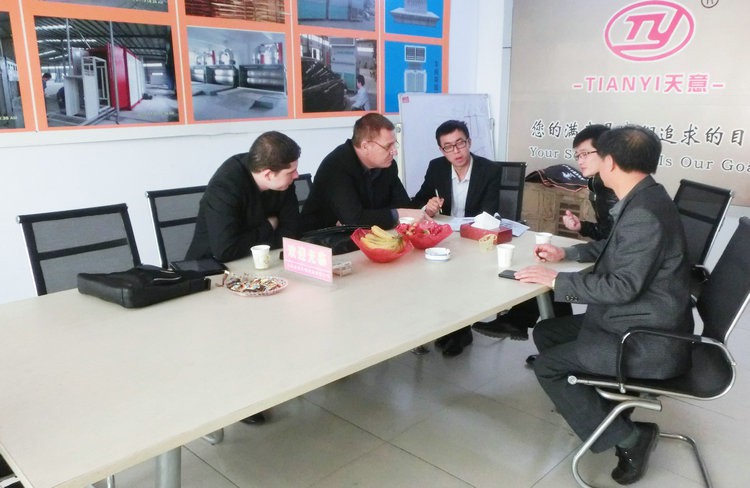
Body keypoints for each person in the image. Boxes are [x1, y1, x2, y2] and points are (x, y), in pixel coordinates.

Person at [515, 125, 693, 485]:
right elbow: (613, 248)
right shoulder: (647, 196)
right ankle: (600, 413)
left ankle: (630, 438)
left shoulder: (643, 213)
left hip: (646, 337)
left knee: (548, 367)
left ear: (610, 161)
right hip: (638, 318)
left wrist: (556, 281)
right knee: (548, 332)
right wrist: (565, 253)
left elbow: (622, 286)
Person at [473, 124, 616, 346]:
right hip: (608, 264)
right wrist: (583, 227)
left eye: (585, 154)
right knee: (548, 270)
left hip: (615, 285)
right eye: (577, 155)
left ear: (608, 155)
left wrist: (570, 253)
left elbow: (615, 245)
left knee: (551, 275)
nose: (580, 161)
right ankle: (541, 334)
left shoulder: (616, 192)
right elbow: (610, 234)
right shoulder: (598, 184)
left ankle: (524, 325)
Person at [411, 119, 501, 357]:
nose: (456, 151)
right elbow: (417, 201)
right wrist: (428, 208)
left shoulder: (490, 170)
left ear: (469, 142)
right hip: (445, 239)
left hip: (474, 238)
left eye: (460, 143)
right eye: (448, 147)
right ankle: (445, 326)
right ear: (442, 150)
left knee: (461, 274)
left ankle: (460, 331)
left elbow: (489, 213)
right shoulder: (436, 167)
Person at [187, 131, 301, 263]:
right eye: (291, 172)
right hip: (211, 267)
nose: (296, 175)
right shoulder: (225, 187)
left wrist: (249, 242)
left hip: (265, 261)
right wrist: (269, 227)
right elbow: (226, 251)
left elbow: (291, 233)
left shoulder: (282, 182)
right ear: (268, 175)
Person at [300, 113, 425, 231]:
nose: (394, 151)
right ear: (365, 146)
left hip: (372, 234)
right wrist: (397, 214)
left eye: (394, 144)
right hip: (323, 238)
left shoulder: (387, 165)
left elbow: (404, 205)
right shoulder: (336, 166)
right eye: (388, 146)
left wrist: (394, 213)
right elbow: (355, 219)